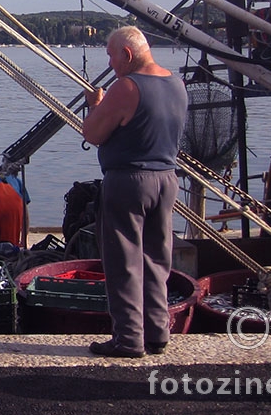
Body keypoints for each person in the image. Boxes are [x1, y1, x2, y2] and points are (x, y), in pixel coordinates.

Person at [81, 26, 187, 359]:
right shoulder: (175, 83)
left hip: (129, 181)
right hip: (167, 179)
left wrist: (95, 105)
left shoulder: (126, 87)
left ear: (127, 55)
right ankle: (157, 332)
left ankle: (128, 338)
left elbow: (93, 133)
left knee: (124, 260)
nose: (110, 63)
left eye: (112, 55)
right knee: (157, 259)